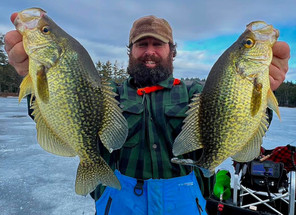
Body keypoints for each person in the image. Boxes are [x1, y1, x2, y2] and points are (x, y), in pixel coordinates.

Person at [5, 14, 290, 215]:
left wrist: (261, 97)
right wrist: (38, 85)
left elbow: (237, 124)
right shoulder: (106, 91)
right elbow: (64, 112)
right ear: (130, 51)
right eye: (141, 44)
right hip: (119, 201)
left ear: (172, 51)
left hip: (185, 201)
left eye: (158, 44)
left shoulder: (199, 94)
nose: (150, 52)